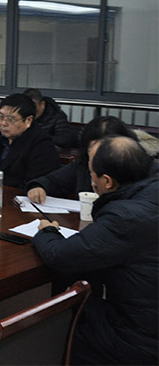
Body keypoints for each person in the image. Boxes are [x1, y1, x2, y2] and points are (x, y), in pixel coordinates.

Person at [33, 136, 158, 365]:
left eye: (91, 173)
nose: (90, 180)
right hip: (146, 316)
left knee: (61, 325)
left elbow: (60, 255)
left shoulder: (126, 218)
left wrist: (47, 231)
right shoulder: (149, 194)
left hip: (138, 337)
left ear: (107, 181)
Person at [27, 116, 137, 203]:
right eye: (93, 149)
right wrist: (38, 187)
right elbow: (53, 181)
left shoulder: (134, 169)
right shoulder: (83, 164)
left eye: (105, 149)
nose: (99, 155)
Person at [0, 93, 58, 189]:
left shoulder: (42, 145)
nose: (3, 123)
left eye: (11, 119)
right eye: (1, 117)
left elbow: (33, 184)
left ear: (28, 120)